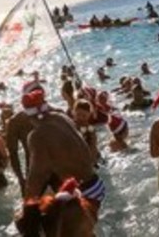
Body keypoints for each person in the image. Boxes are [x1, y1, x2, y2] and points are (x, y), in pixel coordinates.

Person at [17, 90, 103, 235]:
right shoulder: (61, 117)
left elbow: (36, 177)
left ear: (28, 116)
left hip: (83, 191)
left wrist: (27, 209)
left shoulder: (37, 136)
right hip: (96, 184)